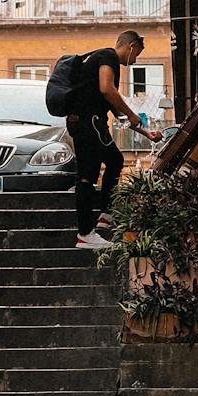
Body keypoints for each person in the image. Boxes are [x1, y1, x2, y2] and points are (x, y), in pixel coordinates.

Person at [67, 30, 163, 250]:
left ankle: (105, 216)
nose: (135, 60)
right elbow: (107, 89)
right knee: (86, 177)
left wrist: (146, 133)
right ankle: (85, 234)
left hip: (91, 123)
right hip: (87, 124)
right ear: (130, 46)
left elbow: (116, 110)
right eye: (137, 54)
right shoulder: (108, 56)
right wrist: (131, 113)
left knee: (115, 161)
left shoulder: (102, 62)